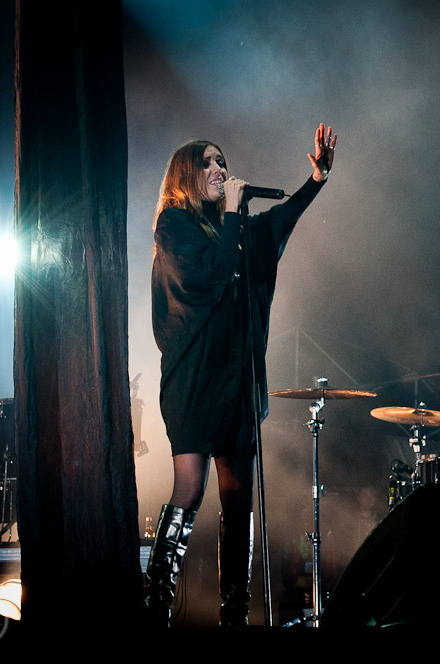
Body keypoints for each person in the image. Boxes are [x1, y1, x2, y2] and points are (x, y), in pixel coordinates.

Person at [147, 124, 337, 628]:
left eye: (222, 161)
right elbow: (207, 275)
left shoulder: (238, 227)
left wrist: (315, 180)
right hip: (194, 378)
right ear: (187, 175)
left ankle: (235, 613)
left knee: (238, 496)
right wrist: (232, 212)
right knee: (189, 487)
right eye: (208, 163)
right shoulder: (173, 226)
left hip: (238, 377)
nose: (220, 169)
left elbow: (280, 223)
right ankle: (156, 607)